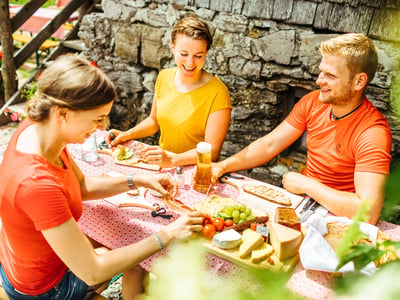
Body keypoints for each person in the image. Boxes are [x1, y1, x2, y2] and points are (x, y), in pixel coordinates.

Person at [0, 55, 203, 300]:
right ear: (63, 114)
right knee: (139, 257)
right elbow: (92, 272)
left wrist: (138, 179)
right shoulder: (38, 184)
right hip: (46, 289)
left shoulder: (39, 130)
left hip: (21, 267)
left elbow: (82, 186)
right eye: (97, 119)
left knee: (116, 242)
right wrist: (169, 234)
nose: (101, 127)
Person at [211, 33, 392, 225]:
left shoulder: (373, 132)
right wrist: (224, 165)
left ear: (359, 82)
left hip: (338, 220)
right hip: (301, 203)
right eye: (321, 72)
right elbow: (270, 144)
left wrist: (307, 185)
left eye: (330, 75)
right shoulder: (313, 101)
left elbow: (367, 214)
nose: (319, 80)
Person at [107, 16, 232, 168]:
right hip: (164, 165)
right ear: (173, 47)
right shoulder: (164, 76)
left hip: (197, 171)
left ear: (207, 52)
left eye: (198, 56)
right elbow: (154, 121)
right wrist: (127, 134)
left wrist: (174, 160)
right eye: (184, 54)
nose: (190, 63)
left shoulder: (218, 93)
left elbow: (212, 151)